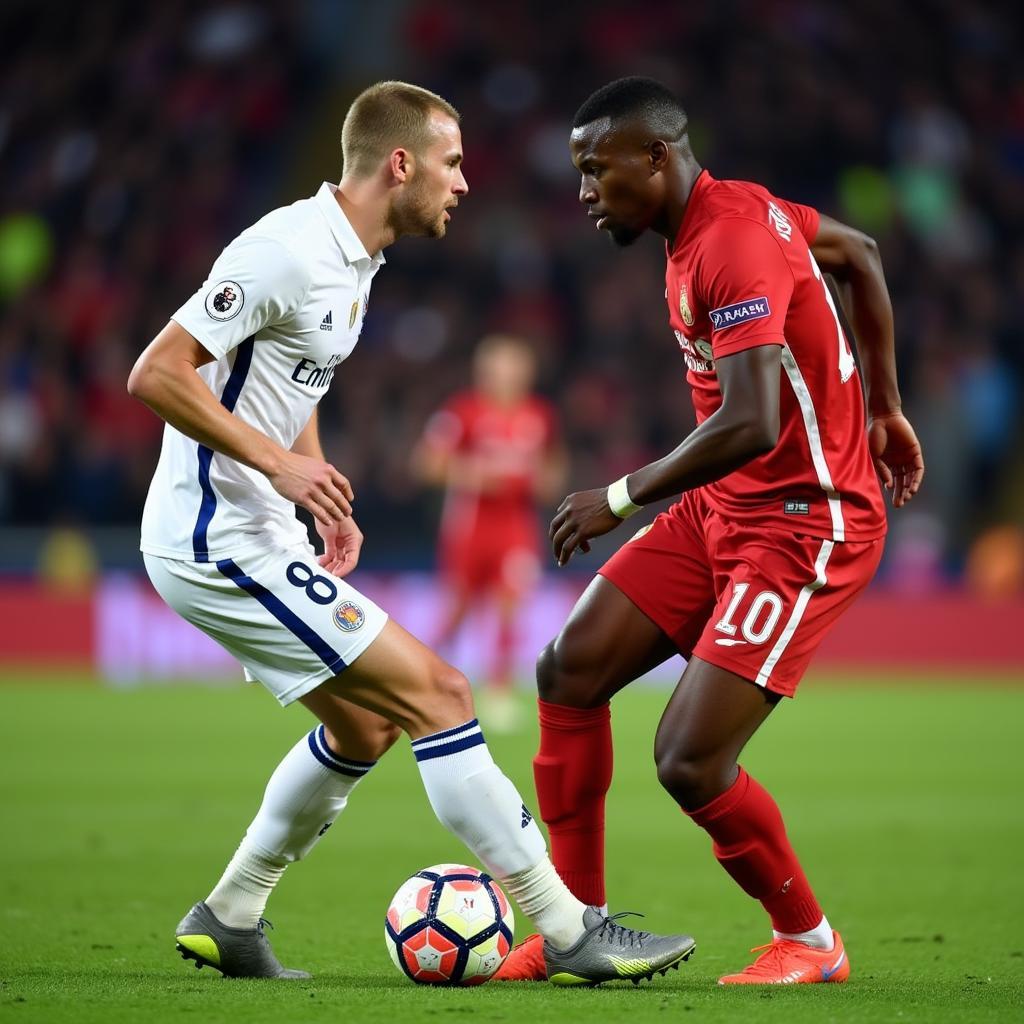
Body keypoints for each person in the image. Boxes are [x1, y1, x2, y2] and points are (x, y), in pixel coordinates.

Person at [127, 79, 695, 985]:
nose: (464, 183)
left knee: (365, 729)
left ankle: (231, 913)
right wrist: (278, 469)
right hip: (214, 537)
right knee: (441, 691)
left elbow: (289, 374)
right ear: (401, 164)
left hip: (259, 530)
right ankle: (567, 926)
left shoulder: (358, 259)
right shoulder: (285, 249)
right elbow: (158, 373)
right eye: (452, 162)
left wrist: (315, 490)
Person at [494, 77, 924, 985]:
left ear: (655, 157)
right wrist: (884, 407)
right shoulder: (734, 216)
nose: (582, 192)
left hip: (807, 522)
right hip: (724, 508)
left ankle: (811, 942)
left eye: (592, 169)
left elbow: (752, 420)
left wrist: (618, 497)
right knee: (569, 669)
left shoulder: (730, 240)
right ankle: (578, 928)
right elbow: (862, 252)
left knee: (689, 759)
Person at [413, 334, 566, 731]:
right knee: (459, 608)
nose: (506, 375)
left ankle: (498, 689)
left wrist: (545, 480)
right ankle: (419, 678)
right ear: (483, 371)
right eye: (498, 367)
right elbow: (427, 464)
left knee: (510, 603)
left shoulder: (539, 414)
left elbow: (553, 466)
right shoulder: (462, 412)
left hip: (516, 526)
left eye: (513, 367)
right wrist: (476, 474)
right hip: (470, 525)